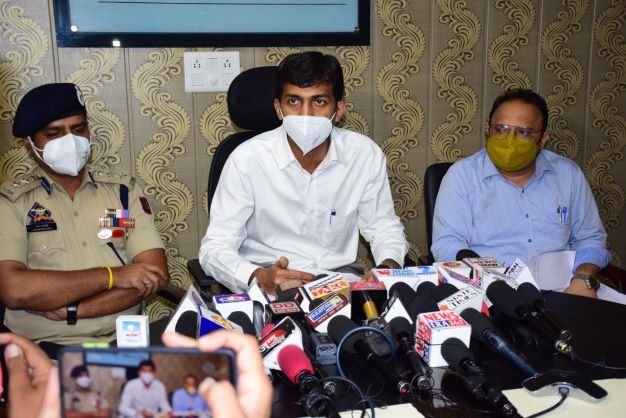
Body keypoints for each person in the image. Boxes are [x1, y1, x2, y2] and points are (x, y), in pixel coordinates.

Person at [199, 51, 408, 294]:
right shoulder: (246, 159)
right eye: (294, 101)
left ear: (339, 109)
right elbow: (214, 248)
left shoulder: (364, 154)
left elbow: (384, 228)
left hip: (339, 283)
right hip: (269, 284)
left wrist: (387, 267)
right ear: (278, 108)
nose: (306, 114)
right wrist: (256, 276)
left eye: (318, 102)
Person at [0, 83, 168, 346]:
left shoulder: (122, 193)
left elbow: (154, 273)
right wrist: (113, 276)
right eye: (54, 133)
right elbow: (14, 289)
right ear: (30, 145)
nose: (70, 141)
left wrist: (75, 310)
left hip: (124, 343)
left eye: (78, 129)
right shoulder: (11, 203)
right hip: (44, 350)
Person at [431, 88, 611, 298]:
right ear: (488, 129)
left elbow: (591, 238)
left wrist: (583, 277)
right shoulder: (462, 176)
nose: (510, 140)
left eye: (524, 132)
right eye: (501, 129)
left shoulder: (568, 174)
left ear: (543, 138)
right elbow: (447, 245)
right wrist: (491, 282)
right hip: (493, 294)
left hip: (565, 290)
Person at [1, 330, 272, 418]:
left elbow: (165, 406)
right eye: (144, 372)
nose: (147, 375)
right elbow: (123, 408)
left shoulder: (162, 388)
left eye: (150, 372)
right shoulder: (129, 388)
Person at [162, 331, 272, 418]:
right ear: (184, 383)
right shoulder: (178, 395)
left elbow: (207, 411)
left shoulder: (201, 393)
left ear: (196, 383)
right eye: (188, 383)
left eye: (192, 382)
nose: (190, 385)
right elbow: (176, 412)